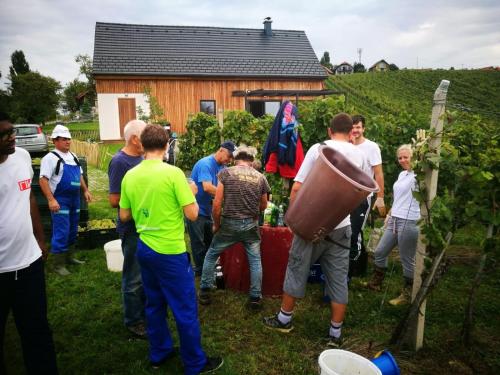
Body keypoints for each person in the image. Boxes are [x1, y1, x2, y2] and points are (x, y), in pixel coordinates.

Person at [119, 124, 223, 373]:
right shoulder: (173, 174)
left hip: (145, 248)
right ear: (166, 146)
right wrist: (190, 191)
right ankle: (195, 363)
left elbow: (124, 215)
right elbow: (193, 212)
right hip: (170, 252)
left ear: (142, 146)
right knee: (184, 308)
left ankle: (159, 353)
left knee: (154, 303)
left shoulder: (130, 176)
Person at [263, 113, 364, 348]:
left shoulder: (319, 150)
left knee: (297, 268)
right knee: (338, 278)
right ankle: (335, 334)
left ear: (329, 131)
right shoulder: (358, 155)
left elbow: (297, 188)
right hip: (342, 226)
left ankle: (284, 319)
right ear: (351, 133)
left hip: (311, 223)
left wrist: (292, 218)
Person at [0, 112, 58, 374]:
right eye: (4, 134)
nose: (12, 137)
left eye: (11, 131)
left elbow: (29, 198)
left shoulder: (22, 157)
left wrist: (40, 238)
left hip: (29, 264)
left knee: (36, 329)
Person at [199, 145, 270, 309]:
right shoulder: (260, 177)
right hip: (250, 225)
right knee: (255, 260)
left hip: (229, 224)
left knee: (211, 254)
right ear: (251, 161)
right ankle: (255, 298)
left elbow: (217, 204)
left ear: (236, 160)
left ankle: (204, 292)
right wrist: (252, 212)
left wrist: (217, 225)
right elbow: (264, 204)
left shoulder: (225, 173)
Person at [366, 144, 420, 306]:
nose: (403, 160)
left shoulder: (420, 175)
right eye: (400, 157)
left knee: (407, 259)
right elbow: (399, 198)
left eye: (406, 157)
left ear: (415, 157)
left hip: (410, 221)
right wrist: (390, 214)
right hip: (395, 219)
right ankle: (376, 283)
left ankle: (408, 293)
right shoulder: (403, 174)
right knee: (380, 251)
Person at [108, 119, 147, 338]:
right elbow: (114, 200)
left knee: (144, 273)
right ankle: (134, 321)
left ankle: (143, 313)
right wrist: (143, 201)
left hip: (145, 226)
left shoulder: (142, 158)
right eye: (145, 134)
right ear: (134, 138)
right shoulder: (120, 162)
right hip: (131, 228)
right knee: (133, 276)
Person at [39, 125, 92, 275]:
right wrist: (51, 200)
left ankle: (70, 258)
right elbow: (43, 180)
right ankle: (58, 264)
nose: (68, 142)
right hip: (60, 200)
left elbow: (80, 176)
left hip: (74, 199)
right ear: (55, 141)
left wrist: (86, 190)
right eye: (64, 139)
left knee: (72, 229)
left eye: (69, 139)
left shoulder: (73, 156)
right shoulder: (50, 158)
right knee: (61, 231)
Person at [187, 141, 235, 276]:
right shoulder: (205, 164)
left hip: (208, 210)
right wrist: (228, 195)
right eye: (229, 156)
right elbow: (207, 187)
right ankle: (201, 271)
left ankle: (207, 270)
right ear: (221, 150)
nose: (229, 160)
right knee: (198, 242)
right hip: (196, 209)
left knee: (209, 242)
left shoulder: (222, 167)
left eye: (232, 158)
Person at [349, 115, 386, 277]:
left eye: (358, 127)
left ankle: (355, 268)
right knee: (347, 230)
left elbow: (378, 174)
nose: (355, 130)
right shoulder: (346, 145)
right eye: (353, 127)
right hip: (345, 195)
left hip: (363, 196)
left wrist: (380, 197)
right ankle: (354, 265)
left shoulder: (371, 147)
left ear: (363, 128)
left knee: (355, 231)